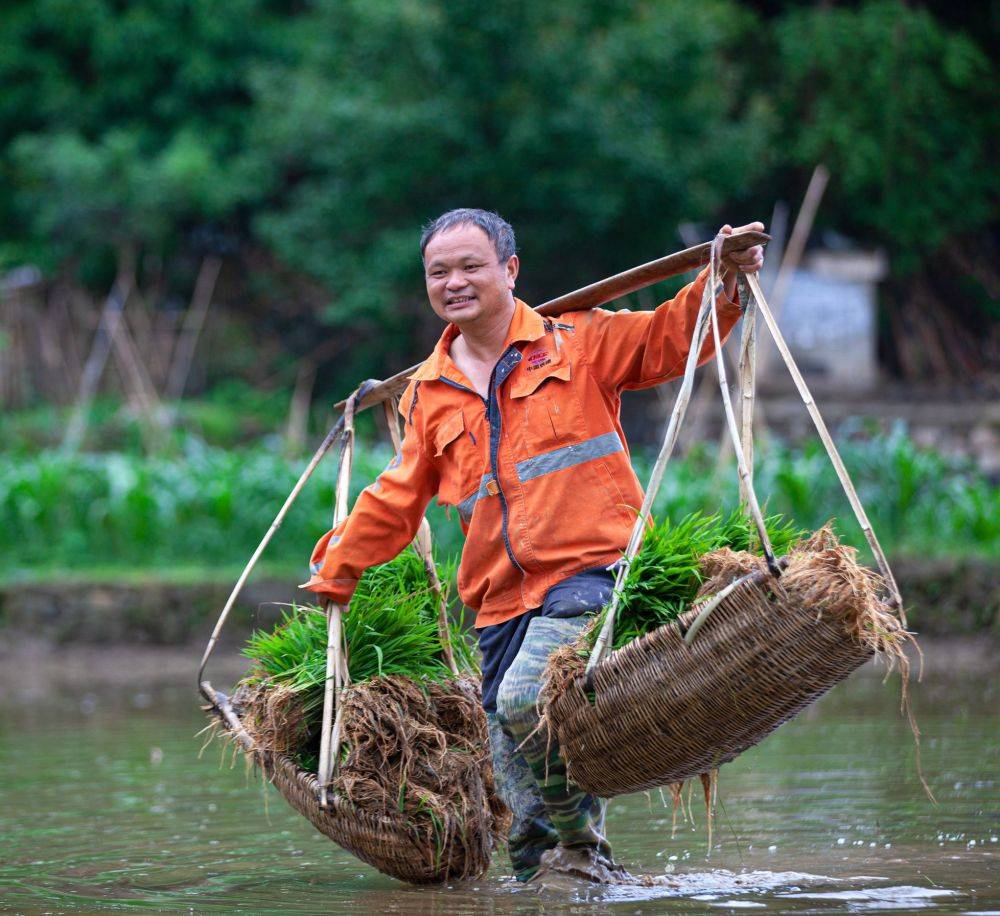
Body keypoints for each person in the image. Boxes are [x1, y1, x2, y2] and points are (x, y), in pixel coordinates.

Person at [301, 208, 764, 882]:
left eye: (470, 266)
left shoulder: (580, 342)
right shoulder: (429, 393)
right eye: (439, 272)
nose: (454, 282)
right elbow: (398, 496)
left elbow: (669, 338)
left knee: (528, 701)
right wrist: (337, 569)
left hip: (589, 572)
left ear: (509, 271)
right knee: (520, 818)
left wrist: (719, 281)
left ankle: (585, 851)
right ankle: (563, 880)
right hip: (497, 602)